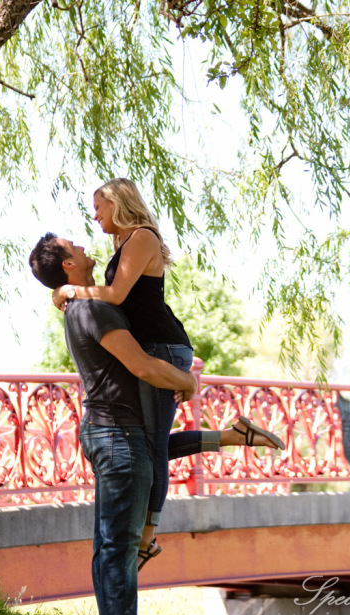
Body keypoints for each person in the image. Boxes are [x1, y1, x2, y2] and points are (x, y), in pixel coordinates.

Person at [29, 233, 283, 615]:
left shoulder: (81, 306)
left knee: (114, 538)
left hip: (111, 432)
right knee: (117, 544)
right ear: (69, 265)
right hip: (116, 434)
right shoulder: (93, 309)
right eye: (72, 245)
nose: (82, 243)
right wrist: (187, 380)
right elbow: (143, 366)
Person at [52, 178, 285, 568]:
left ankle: (147, 537)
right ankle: (234, 435)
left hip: (163, 346)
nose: (94, 216)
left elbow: (116, 297)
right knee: (147, 445)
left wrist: (68, 291)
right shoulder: (121, 243)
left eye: (98, 207)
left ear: (117, 202)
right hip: (154, 347)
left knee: (153, 446)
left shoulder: (141, 236)